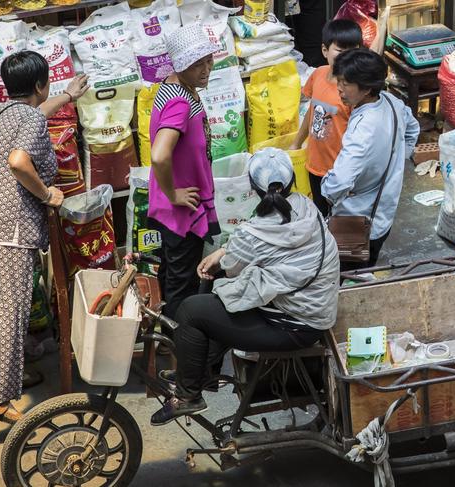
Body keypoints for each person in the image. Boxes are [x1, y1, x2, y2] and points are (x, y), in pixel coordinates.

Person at [151, 148, 340, 424]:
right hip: (313, 309)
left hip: (294, 326)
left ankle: (188, 395)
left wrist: (223, 255)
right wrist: (224, 252)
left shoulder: (253, 230)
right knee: (217, 299)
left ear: (253, 188)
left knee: (191, 310)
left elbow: (233, 270)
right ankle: (198, 372)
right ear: (291, 183)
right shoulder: (307, 207)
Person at [0, 51, 88, 424]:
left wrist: (67, 95)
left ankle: (9, 377)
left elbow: (37, 114)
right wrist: (46, 193)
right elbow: (19, 161)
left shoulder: (6, 114)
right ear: (39, 84)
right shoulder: (29, 119)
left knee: (4, 305)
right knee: (10, 312)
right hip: (10, 231)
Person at [321, 48, 420, 270]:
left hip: (357, 222)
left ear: (366, 89)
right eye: (339, 80)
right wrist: (396, 162)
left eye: (346, 83)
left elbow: (340, 181)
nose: (339, 88)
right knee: (365, 266)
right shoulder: (390, 101)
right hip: (383, 213)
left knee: (348, 276)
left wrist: (327, 193)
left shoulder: (363, 131)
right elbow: (413, 127)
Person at [148, 24, 221, 321]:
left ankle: (172, 341)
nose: (206, 70)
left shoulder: (175, 86)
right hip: (181, 211)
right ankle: (182, 352)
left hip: (176, 205)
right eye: (196, 64)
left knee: (172, 275)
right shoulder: (179, 102)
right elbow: (159, 154)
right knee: (183, 285)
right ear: (180, 65)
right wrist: (173, 193)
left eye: (208, 61)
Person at [290, 18, 390, 216]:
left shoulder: (355, 93)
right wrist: (297, 142)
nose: (348, 57)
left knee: (341, 222)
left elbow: (362, 136)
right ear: (325, 50)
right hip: (314, 165)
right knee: (319, 214)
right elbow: (313, 110)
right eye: (340, 51)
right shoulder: (318, 74)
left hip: (341, 173)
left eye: (354, 50)